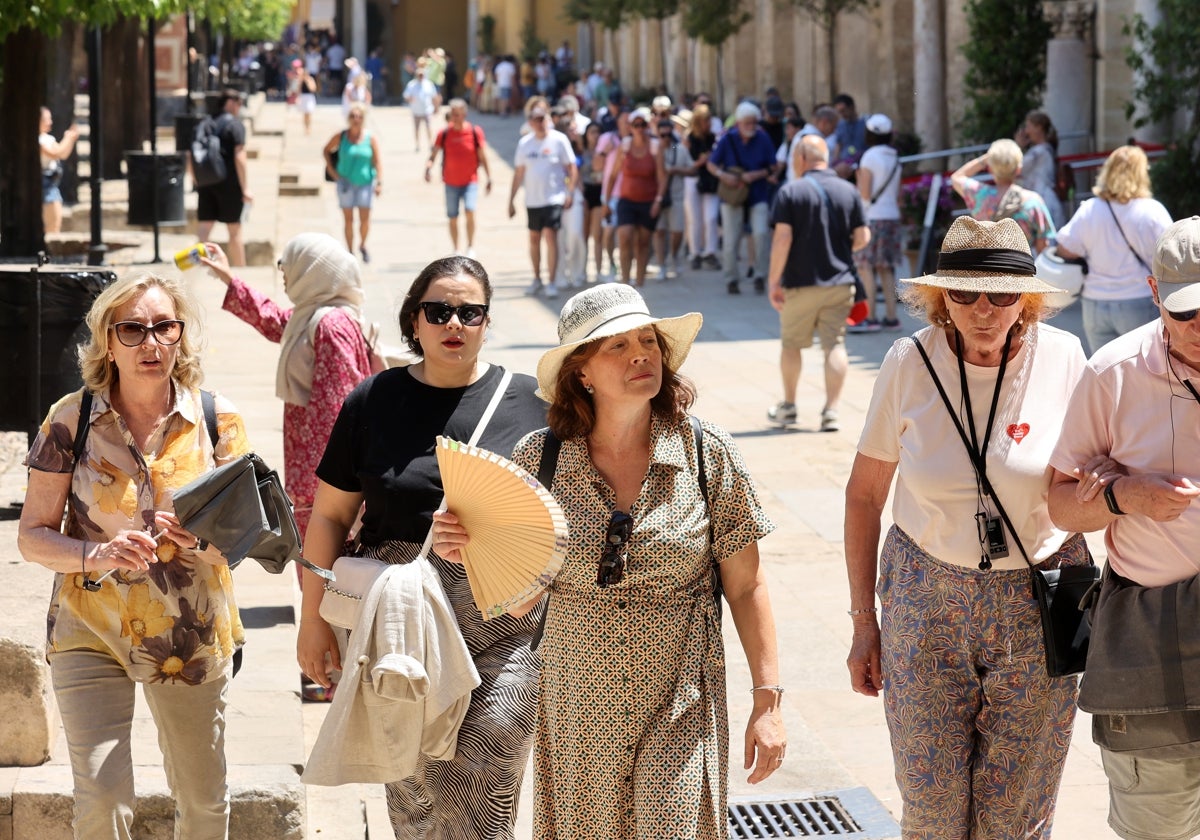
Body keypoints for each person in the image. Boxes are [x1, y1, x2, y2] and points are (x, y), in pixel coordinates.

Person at [432, 283, 787, 838]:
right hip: (576, 703)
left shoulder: (703, 450)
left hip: (681, 694)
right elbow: (520, 597)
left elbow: (747, 585)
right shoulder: (539, 457)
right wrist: (468, 549)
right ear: (582, 374)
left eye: (647, 340)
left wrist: (768, 702)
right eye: (616, 346)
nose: (641, 354)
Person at [845, 216, 1092, 839]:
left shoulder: (1063, 358)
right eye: (964, 294)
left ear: (1027, 301)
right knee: (931, 807)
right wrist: (863, 623)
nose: (984, 311)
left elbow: (1092, 478)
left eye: (1003, 295)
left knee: (1016, 812)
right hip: (925, 597)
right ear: (940, 298)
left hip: (1036, 598)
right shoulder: (908, 362)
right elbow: (864, 494)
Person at [297, 256, 547, 838]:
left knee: (491, 767)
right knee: (412, 790)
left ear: (487, 321)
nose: (453, 323)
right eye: (439, 311)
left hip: (501, 619)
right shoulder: (373, 399)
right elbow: (330, 516)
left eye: (470, 311)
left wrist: (528, 576)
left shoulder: (532, 403)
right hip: (398, 617)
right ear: (415, 320)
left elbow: (562, 514)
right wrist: (312, 618)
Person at [18, 272, 251, 839]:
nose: (151, 342)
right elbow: (32, 536)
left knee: (201, 799)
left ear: (180, 336)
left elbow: (245, 539)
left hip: (189, 632)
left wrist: (199, 540)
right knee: (100, 799)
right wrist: (98, 552)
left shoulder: (218, 421)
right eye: (133, 329)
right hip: (89, 628)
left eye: (163, 326)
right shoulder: (70, 420)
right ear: (107, 342)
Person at [1046, 216, 1200, 840]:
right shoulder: (1113, 374)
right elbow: (1059, 505)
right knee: (1155, 828)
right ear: (1155, 293)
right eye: (1186, 313)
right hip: (1152, 630)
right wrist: (1122, 496)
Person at [766, 135, 868, 432]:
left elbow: (782, 239)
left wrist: (774, 281)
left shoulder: (790, 192)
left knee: (791, 345)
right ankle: (831, 411)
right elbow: (862, 239)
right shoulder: (849, 191)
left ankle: (789, 406)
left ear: (800, 158)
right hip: (839, 283)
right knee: (834, 345)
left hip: (800, 283)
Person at [1054, 145, 1173, 355]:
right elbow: (1172, 256)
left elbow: (1064, 248)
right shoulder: (1152, 210)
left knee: (1106, 375)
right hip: (1138, 301)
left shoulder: (1090, 209)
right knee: (1143, 372)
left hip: (1095, 303)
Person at [508, 97, 578, 299]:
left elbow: (571, 167)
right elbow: (519, 173)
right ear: (530, 122)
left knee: (550, 236)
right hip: (533, 200)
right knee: (534, 238)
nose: (540, 122)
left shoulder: (559, 140)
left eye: (542, 118)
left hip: (553, 197)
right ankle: (537, 278)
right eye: (536, 119)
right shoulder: (525, 144)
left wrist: (570, 192)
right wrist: (511, 200)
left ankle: (552, 281)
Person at [708, 101, 778, 294]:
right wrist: (724, 176)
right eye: (747, 123)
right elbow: (712, 164)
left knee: (760, 234)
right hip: (733, 194)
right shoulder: (727, 139)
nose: (751, 126)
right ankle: (731, 278)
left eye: (754, 122)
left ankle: (760, 275)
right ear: (738, 123)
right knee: (731, 239)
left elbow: (773, 166)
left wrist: (755, 175)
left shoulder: (763, 139)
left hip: (757, 193)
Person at [951, 138, 1056, 256]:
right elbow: (1043, 246)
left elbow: (956, 177)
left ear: (990, 169)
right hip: (1021, 270)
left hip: (988, 269)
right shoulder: (1033, 201)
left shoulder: (980, 196)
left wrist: (986, 159)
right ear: (1019, 169)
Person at [850, 113, 903, 333]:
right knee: (886, 268)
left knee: (865, 266)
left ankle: (869, 316)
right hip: (892, 216)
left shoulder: (869, 156)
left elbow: (864, 193)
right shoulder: (895, 157)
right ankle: (891, 317)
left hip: (872, 216)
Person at [606, 106, 666, 287]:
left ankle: (639, 283)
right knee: (624, 237)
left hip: (648, 201)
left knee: (643, 243)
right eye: (636, 125)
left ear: (647, 126)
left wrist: (658, 201)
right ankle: (625, 281)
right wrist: (606, 202)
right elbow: (613, 175)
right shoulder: (624, 146)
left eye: (643, 124)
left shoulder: (656, 147)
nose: (639, 128)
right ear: (630, 127)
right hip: (627, 199)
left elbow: (663, 177)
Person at [427, 98, 493, 258]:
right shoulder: (444, 134)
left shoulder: (474, 132)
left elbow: (483, 156)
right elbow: (434, 154)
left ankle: (470, 246)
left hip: (470, 180)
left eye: (458, 114)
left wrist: (489, 177)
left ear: (464, 114)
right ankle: (456, 248)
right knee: (453, 216)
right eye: (453, 114)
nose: (455, 117)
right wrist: (428, 167)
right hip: (450, 182)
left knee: (470, 210)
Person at [197, 89, 253, 268]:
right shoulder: (235, 125)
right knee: (234, 231)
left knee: (204, 229)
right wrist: (245, 188)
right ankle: (241, 271)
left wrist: (196, 180)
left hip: (206, 181)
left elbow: (192, 154)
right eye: (238, 104)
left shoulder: (205, 123)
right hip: (229, 184)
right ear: (230, 103)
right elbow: (239, 157)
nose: (239, 108)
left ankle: (200, 266)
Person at [323, 103, 383, 261]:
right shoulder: (342, 136)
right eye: (353, 116)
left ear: (364, 119)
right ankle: (350, 251)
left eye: (359, 116)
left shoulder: (370, 138)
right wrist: (332, 170)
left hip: (365, 182)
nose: (356, 119)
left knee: (365, 219)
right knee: (348, 219)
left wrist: (379, 182)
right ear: (348, 118)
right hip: (345, 183)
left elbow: (377, 161)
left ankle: (362, 244)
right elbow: (326, 150)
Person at [653, 115, 693, 279]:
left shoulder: (678, 149)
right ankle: (662, 265)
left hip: (675, 195)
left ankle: (674, 255)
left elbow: (692, 169)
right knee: (659, 231)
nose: (665, 139)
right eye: (662, 135)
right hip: (656, 196)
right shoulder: (654, 149)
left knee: (677, 231)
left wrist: (676, 170)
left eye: (668, 135)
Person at [684, 104, 721, 270]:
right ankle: (695, 252)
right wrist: (698, 161)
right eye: (706, 120)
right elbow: (676, 149)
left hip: (710, 181)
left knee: (711, 217)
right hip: (693, 179)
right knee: (694, 219)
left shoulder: (713, 138)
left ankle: (710, 251)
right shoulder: (688, 138)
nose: (709, 123)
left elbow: (718, 154)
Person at [1019, 111, 1065, 228]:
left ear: (1038, 128)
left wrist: (1018, 146)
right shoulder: (1044, 150)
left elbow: (1016, 168)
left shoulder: (1039, 152)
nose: (1026, 131)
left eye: (1029, 126)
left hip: (1043, 202)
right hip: (1045, 200)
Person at [39, 106, 79, 235]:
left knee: (55, 226)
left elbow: (63, 155)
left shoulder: (47, 138)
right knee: (51, 228)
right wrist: (67, 138)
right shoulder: (38, 140)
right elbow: (56, 153)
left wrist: (71, 139)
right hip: (44, 185)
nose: (50, 122)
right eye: (47, 119)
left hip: (52, 183)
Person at [579, 122, 607, 283]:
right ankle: (582, 270)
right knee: (584, 235)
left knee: (597, 235)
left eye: (597, 132)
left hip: (599, 192)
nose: (595, 135)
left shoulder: (605, 152)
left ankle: (598, 269)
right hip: (586, 192)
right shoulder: (581, 153)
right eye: (592, 132)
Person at [403, 61, 441, 152]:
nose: (421, 76)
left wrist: (436, 108)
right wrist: (409, 99)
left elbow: (434, 96)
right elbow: (406, 95)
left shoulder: (429, 84)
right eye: (419, 75)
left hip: (427, 110)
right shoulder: (411, 84)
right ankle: (417, 145)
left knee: (428, 128)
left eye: (422, 75)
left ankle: (430, 144)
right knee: (417, 129)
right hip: (416, 110)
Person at [832, 93, 866, 178]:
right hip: (845, 167)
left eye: (843, 110)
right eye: (839, 112)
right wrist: (836, 162)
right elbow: (838, 144)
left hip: (862, 164)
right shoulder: (841, 124)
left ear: (852, 107)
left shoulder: (865, 123)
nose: (842, 114)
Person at [295, 62, 319, 135]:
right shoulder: (301, 80)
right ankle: (306, 128)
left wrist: (308, 81)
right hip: (303, 97)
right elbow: (298, 90)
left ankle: (309, 127)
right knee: (304, 114)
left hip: (309, 97)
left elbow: (313, 89)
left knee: (309, 113)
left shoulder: (310, 79)